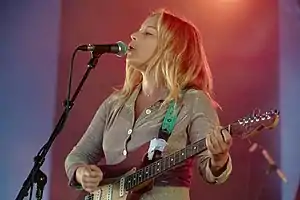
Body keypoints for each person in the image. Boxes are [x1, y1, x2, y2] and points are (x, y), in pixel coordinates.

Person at [65, 8, 233, 200]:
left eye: (148, 33)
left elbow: (211, 171)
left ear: (172, 48)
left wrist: (219, 159)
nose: (133, 35)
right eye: (139, 30)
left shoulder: (192, 101)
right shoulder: (114, 104)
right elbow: (78, 156)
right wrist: (82, 173)